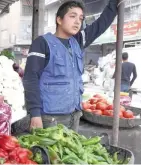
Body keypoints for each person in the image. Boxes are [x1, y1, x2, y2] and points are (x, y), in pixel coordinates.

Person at [23, 0, 118, 131]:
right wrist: (35, 113)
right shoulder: (42, 43)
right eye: (72, 16)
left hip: (74, 115)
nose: (78, 21)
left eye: (81, 18)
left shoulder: (78, 41)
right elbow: (30, 79)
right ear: (59, 20)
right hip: (50, 117)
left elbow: (100, 25)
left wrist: (114, 4)